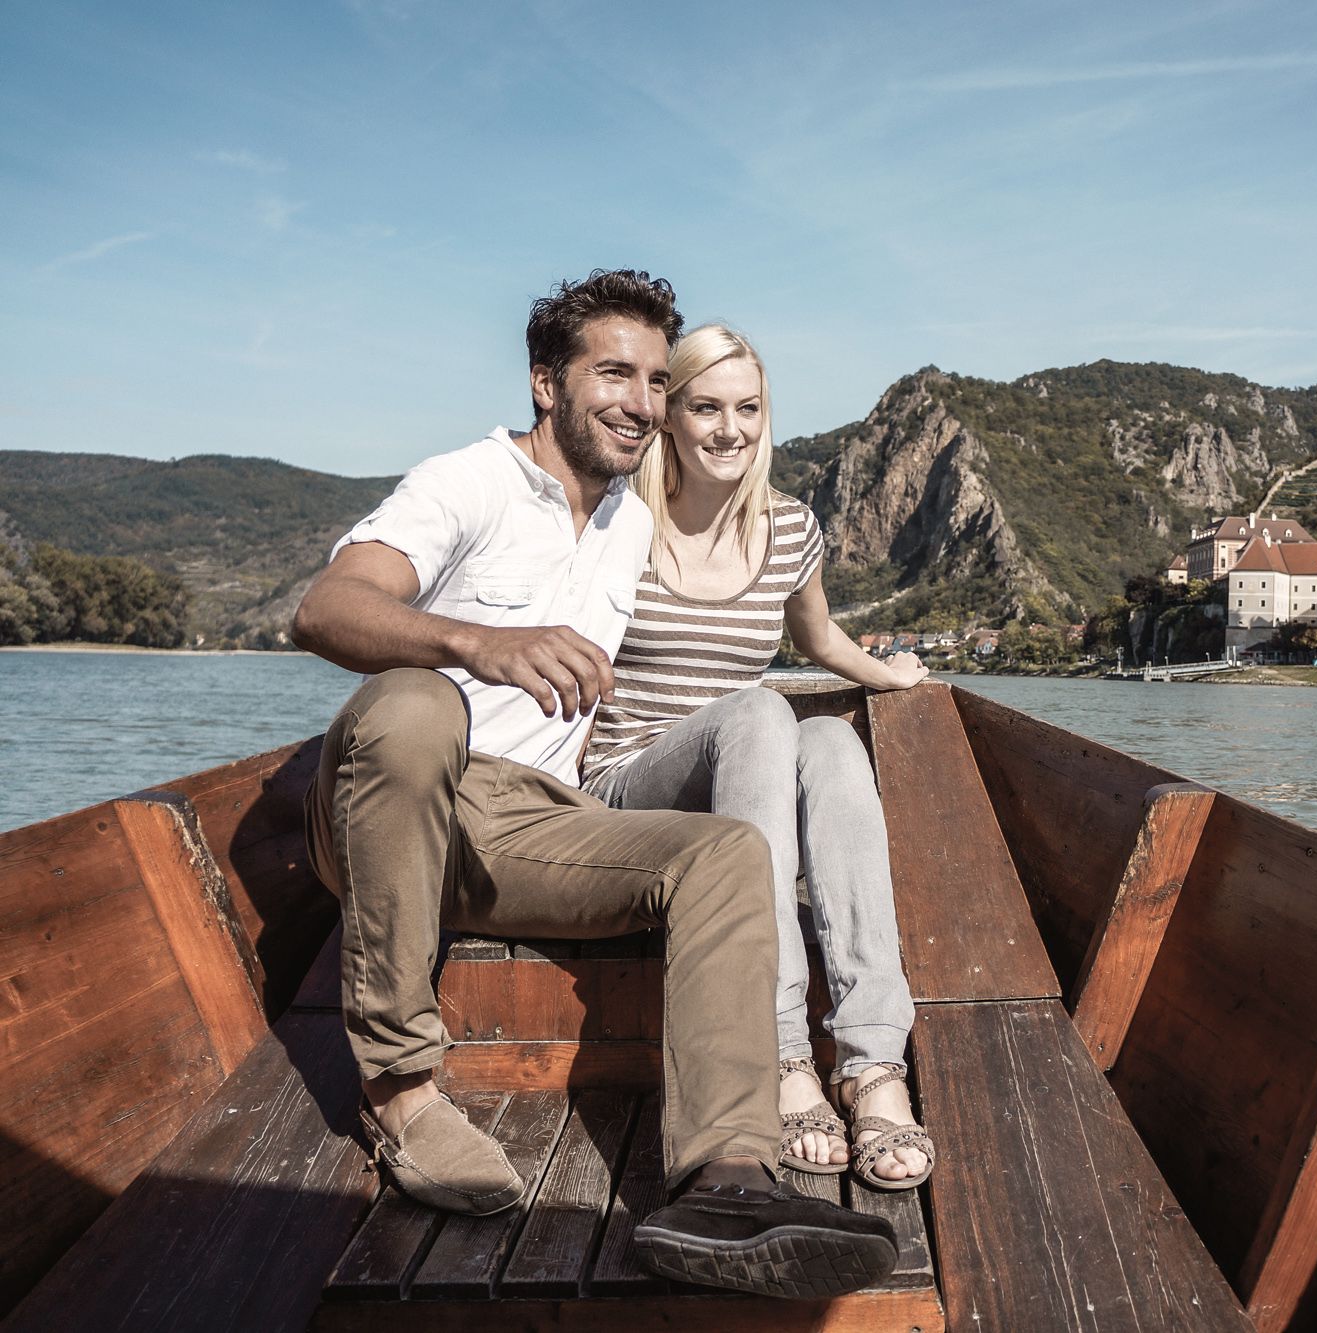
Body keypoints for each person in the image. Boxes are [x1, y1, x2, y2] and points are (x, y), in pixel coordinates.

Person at [290, 271, 896, 1298]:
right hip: (403, 795)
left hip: (533, 823)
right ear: (546, 383)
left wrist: (875, 675)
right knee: (416, 703)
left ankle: (729, 1177)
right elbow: (326, 608)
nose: (641, 401)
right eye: (614, 373)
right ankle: (400, 1091)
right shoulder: (466, 483)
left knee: (724, 852)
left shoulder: (628, 518)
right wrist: (476, 643)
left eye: (656, 380)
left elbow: (752, 608)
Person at [580, 325, 934, 1190]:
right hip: (629, 787)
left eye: (747, 408)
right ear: (670, 414)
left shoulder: (790, 529)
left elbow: (817, 637)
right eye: (706, 407)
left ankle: (871, 1060)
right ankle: (777, 1051)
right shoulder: (617, 520)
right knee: (760, 710)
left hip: (748, 776)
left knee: (833, 740)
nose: (729, 428)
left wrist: (887, 674)